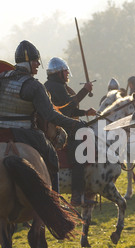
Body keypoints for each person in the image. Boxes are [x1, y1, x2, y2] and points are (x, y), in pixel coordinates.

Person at [0, 40, 85, 220]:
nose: (38, 65)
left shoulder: (1, 78)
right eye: (36, 61)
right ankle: (55, 201)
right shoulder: (34, 86)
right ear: (28, 62)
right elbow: (50, 116)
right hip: (27, 132)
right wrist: (75, 124)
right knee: (51, 156)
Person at [44, 57, 97, 207]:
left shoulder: (57, 86)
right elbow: (66, 109)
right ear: (59, 73)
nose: (67, 74)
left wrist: (85, 111)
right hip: (59, 128)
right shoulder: (53, 87)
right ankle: (77, 195)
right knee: (78, 153)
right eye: (65, 72)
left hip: (63, 123)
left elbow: (70, 108)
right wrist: (85, 91)